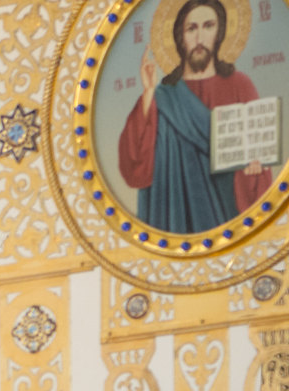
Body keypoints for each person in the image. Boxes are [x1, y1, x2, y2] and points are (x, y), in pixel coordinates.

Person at [116, 0, 272, 236]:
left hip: (227, 217)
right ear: (180, 37)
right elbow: (134, 165)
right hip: (173, 222)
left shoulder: (240, 85)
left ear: (219, 33)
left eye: (208, 26)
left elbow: (258, 157)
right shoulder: (162, 97)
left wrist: (254, 169)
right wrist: (148, 93)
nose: (199, 36)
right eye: (191, 28)